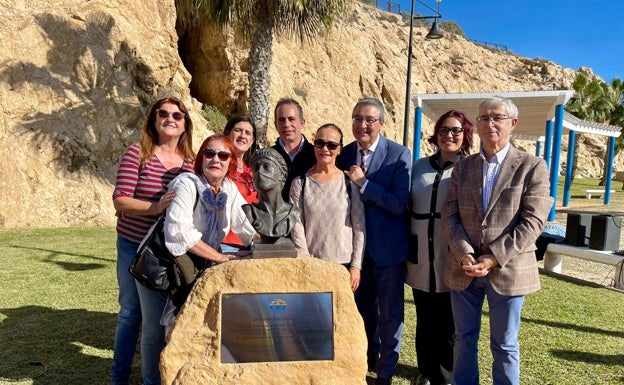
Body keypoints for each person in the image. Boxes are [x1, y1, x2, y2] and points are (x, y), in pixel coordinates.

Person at [441, 97, 553, 385]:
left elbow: (533, 221)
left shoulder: (532, 166)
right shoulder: (463, 167)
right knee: (464, 339)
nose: (489, 123)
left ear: (512, 124)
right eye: (483, 118)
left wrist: (492, 258)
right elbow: (450, 213)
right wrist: (465, 254)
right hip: (464, 270)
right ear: (476, 126)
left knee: (504, 345)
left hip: (508, 270)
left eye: (497, 117)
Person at [111, 97, 195, 385]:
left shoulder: (191, 162)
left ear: (185, 124)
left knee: (158, 318)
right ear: (154, 120)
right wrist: (155, 208)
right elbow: (120, 200)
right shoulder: (138, 153)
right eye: (163, 114)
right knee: (131, 312)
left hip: (164, 251)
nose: (170, 118)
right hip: (133, 245)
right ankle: (119, 378)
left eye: (177, 115)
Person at [337, 97, 411, 385]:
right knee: (360, 311)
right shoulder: (342, 154)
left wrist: (364, 183)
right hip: (354, 253)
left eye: (369, 119)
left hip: (388, 251)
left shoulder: (398, 154)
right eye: (357, 118)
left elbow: (398, 203)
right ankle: (363, 361)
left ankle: (385, 373)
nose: (362, 124)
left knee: (390, 315)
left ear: (381, 123)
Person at [160, 134, 258, 327]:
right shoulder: (186, 184)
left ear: (230, 162)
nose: (215, 159)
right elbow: (180, 232)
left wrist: (268, 243)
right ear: (201, 158)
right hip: (171, 268)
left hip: (203, 267)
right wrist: (219, 257)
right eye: (210, 153)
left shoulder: (228, 188)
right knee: (157, 330)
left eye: (223, 156)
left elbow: (246, 225)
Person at [406, 110, 474, 385]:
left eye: (456, 130)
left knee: (448, 322)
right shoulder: (420, 166)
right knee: (424, 318)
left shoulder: (470, 167)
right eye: (444, 130)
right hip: (421, 252)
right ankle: (426, 371)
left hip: (451, 253)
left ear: (465, 135)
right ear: (436, 134)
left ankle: (445, 375)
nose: (449, 135)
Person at [289, 123, 365, 292]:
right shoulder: (300, 183)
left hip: (343, 266)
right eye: (320, 143)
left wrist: (356, 266)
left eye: (332, 145)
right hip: (312, 264)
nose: (325, 149)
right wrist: (304, 257)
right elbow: (296, 223)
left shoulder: (349, 183)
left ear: (340, 149)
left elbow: (359, 227)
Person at [242, 148, 300, 242]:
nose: (259, 171)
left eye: (266, 167)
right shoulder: (249, 211)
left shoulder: (293, 213)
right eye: (256, 167)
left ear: (282, 175)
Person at [221, 115, 259, 253]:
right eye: (238, 130)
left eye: (248, 133)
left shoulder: (254, 172)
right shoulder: (218, 167)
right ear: (227, 133)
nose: (243, 135)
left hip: (253, 243)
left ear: (252, 141)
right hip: (225, 244)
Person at [271, 98, 316, 202]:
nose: (286, 124)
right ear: (275, 124)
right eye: (281, 120)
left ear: (302, 123)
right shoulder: (268, 157)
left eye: (291, 119)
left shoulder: (316, 155)